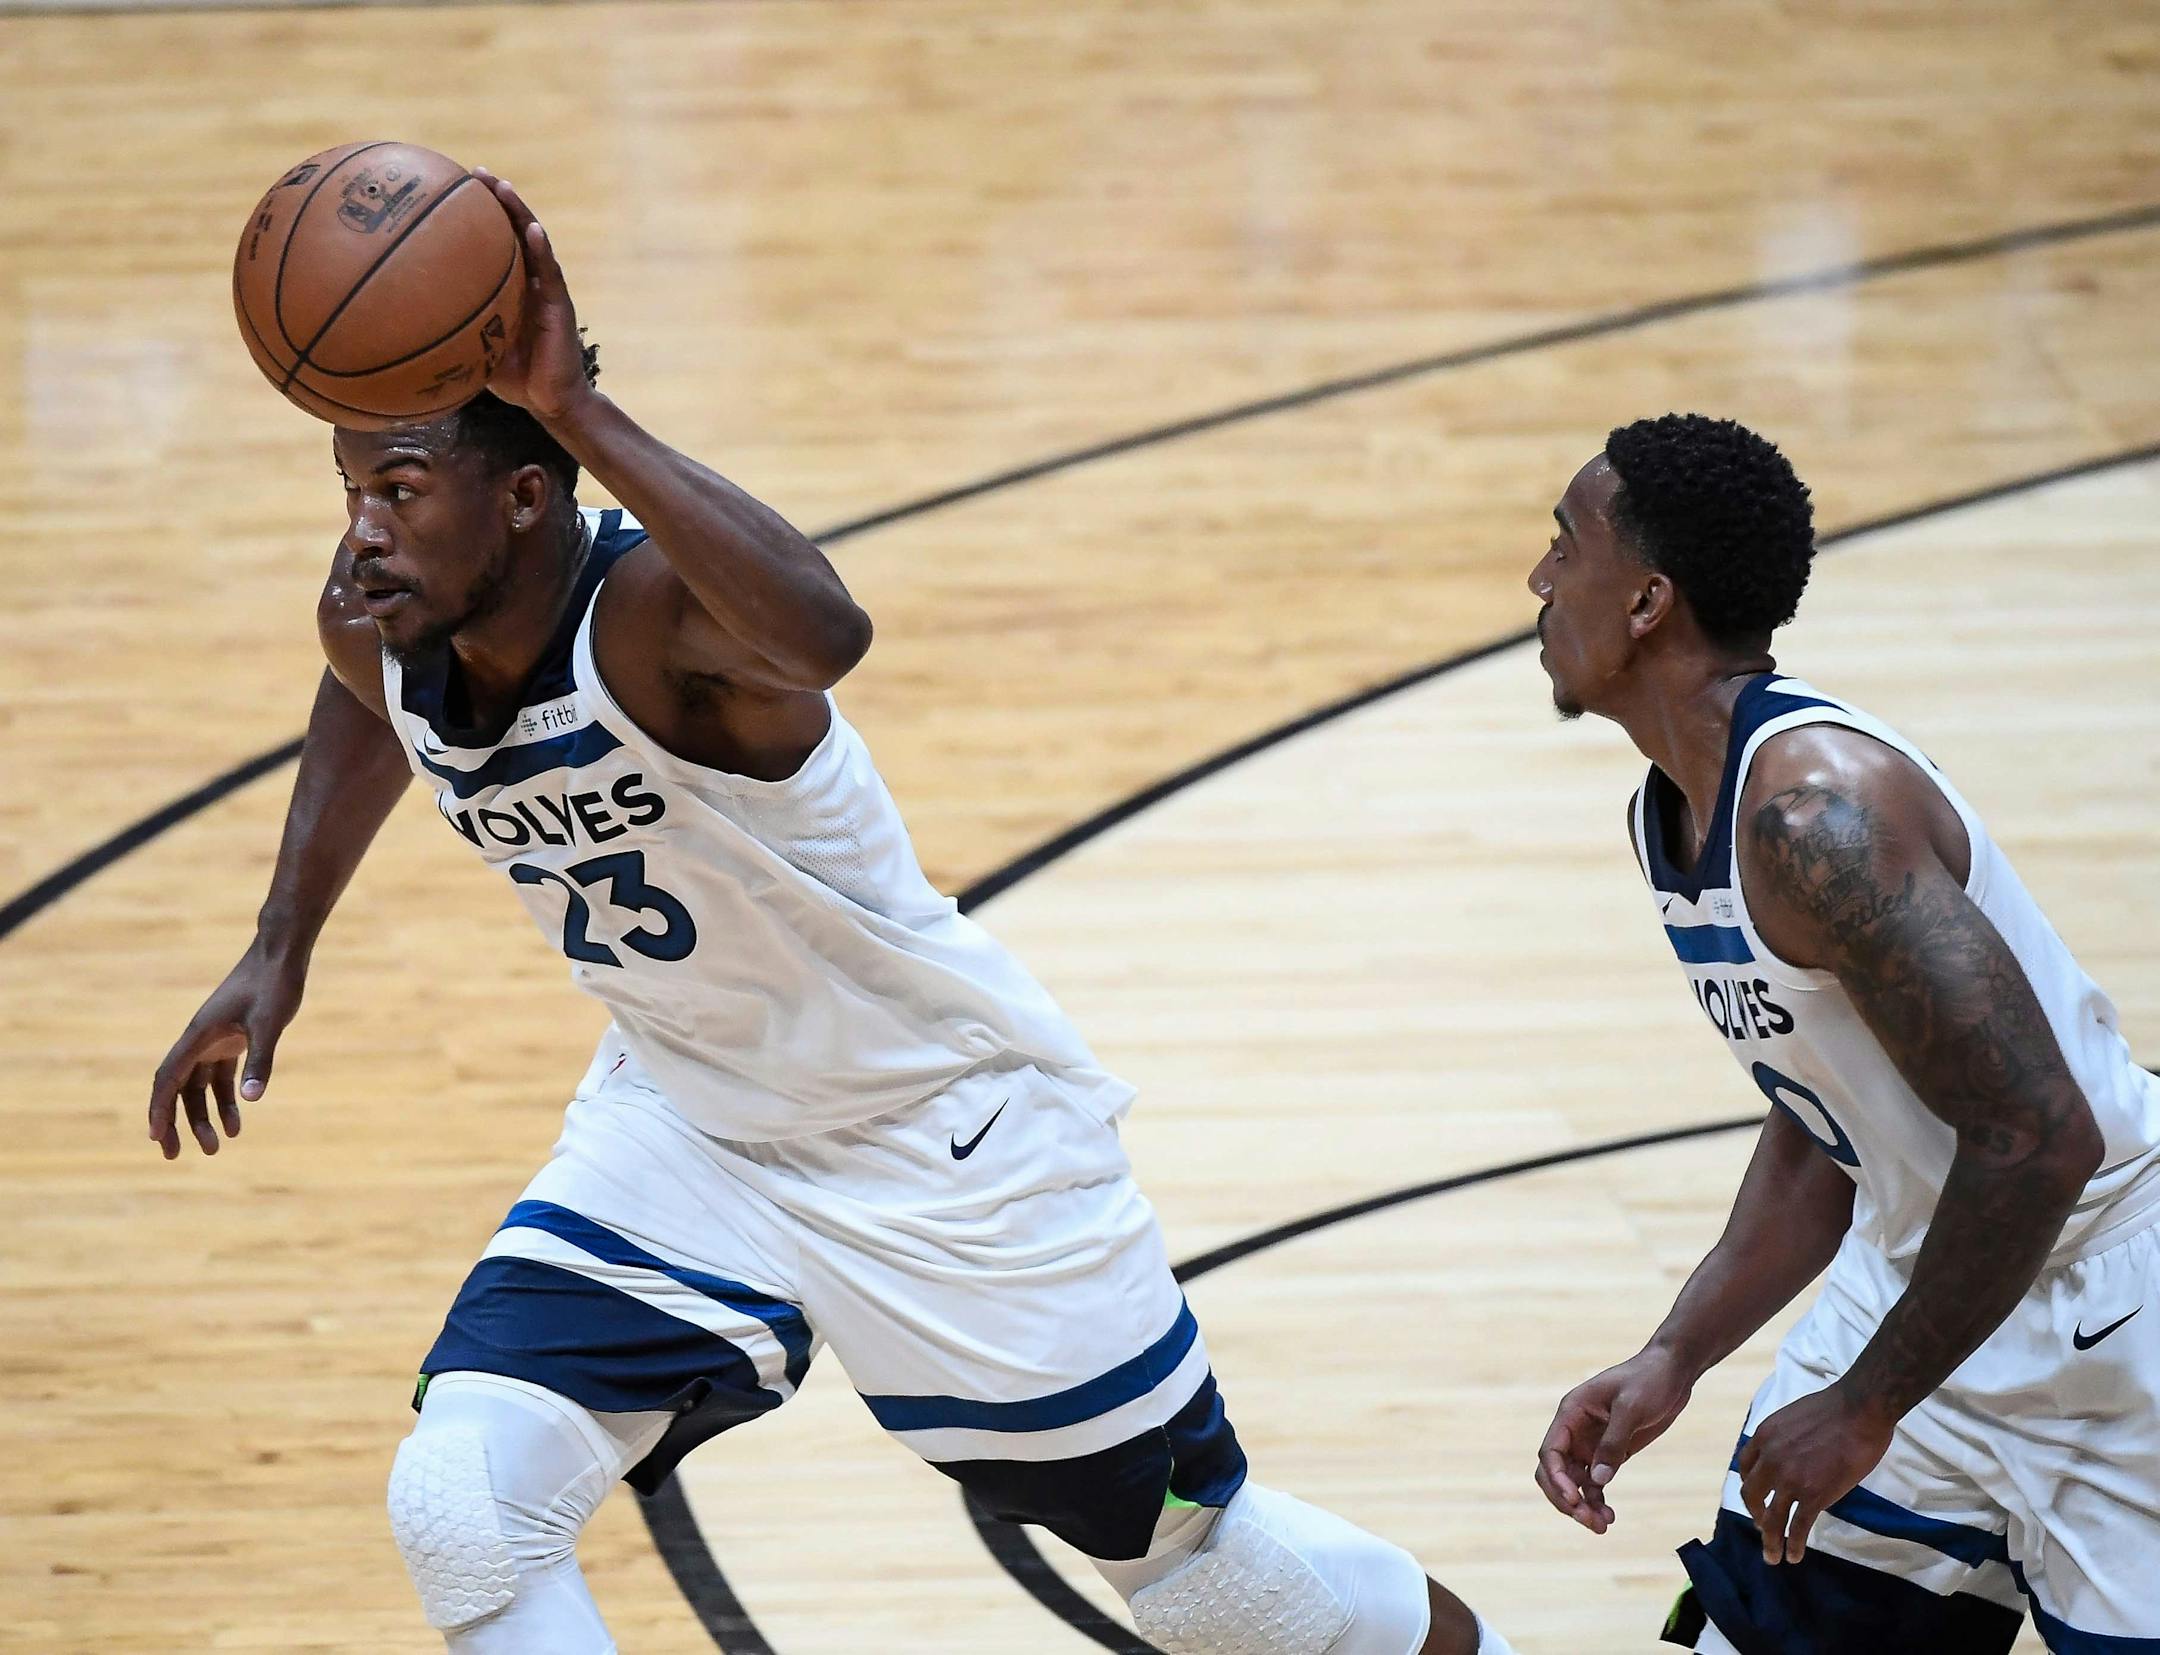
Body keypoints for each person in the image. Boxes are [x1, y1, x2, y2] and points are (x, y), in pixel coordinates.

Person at [149, 170, 1513, 1655]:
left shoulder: (665, 627)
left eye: (396, 491)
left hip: (939, 1136)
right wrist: (279, 941)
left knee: (1212, 1583)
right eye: (348, 491)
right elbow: (371, 703)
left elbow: (829, 630)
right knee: (466, 1504)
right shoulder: (382, 610)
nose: (360, 535)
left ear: (527, 491)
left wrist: (584, 409)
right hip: (691, 1119)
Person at [1527, 414, 2160, 1653]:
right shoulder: (1677, 807)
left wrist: (1867, 1402)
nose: (1542, 580)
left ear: (1649, 599)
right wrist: (1676, 1352)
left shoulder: (1815, 819)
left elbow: (2040, 1137)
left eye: (1565, 545)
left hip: (2107, 1317)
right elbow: (1828, 1111)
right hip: (1927, 1279)